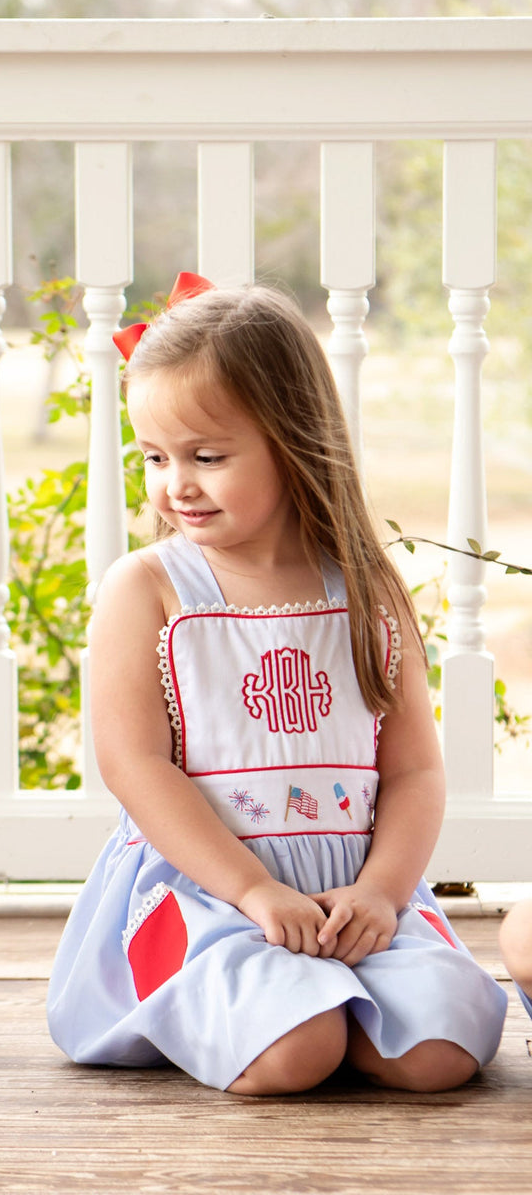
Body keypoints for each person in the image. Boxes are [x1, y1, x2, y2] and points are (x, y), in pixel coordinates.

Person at [46, 275, 507, 1095]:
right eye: (154, 457)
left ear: (292, 439)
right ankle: (266, 1006)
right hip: (204, 891)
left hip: (351, 887)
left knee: (439, 1051)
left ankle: (341, 998)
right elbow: (134, 766)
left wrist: (379, 893)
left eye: (207, 457)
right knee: (298, 1052)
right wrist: (253, 890)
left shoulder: (365, 587)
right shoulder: (150, 588)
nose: (174, 484)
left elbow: (413, 773)